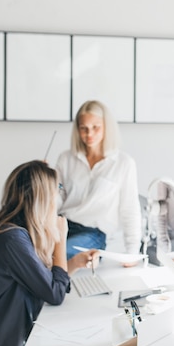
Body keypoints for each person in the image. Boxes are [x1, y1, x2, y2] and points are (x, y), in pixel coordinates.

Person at [0, 160, 99, 346]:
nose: (58, 196)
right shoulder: (12, 239)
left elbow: (44, 283)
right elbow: (55, 293)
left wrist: (75, 263)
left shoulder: (15, 233)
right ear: (42, 198)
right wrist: (60, 239)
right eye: (57, 188)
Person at [56, 100, 142, 263]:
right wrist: (47, 184)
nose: (89, 134)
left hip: (92, 233)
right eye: (84, 128)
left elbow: (129, 209)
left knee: (56, 258)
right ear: (78, 129)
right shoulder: (66, 159)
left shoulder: (123, 163)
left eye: (96, 127)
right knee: (26, 253)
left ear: (106, 127)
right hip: (62, 224)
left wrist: (132, 252)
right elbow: (57, 201)